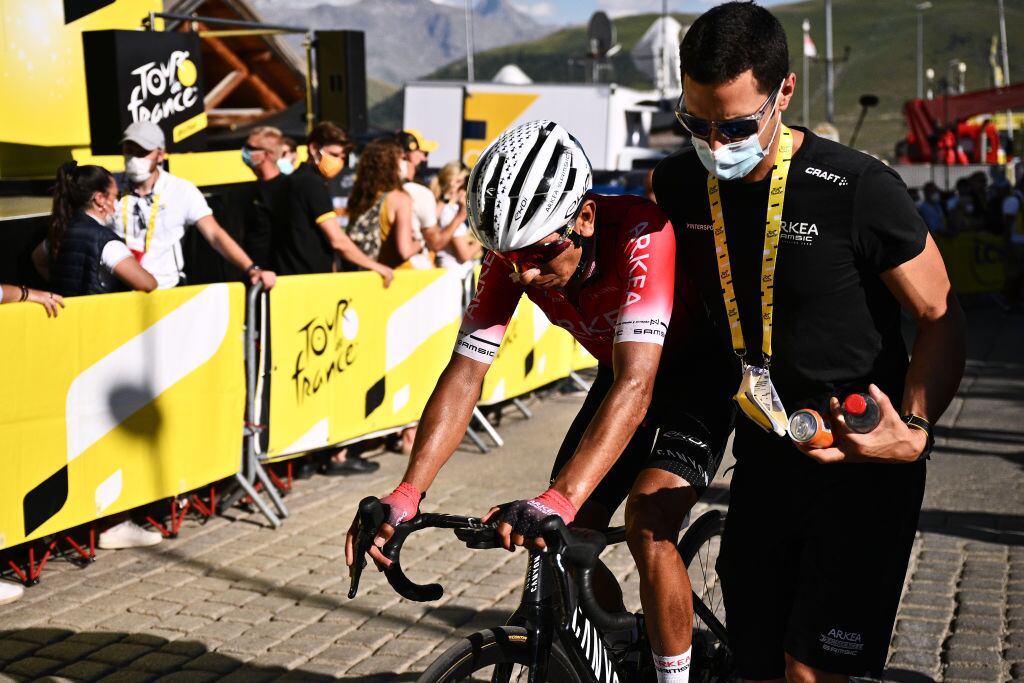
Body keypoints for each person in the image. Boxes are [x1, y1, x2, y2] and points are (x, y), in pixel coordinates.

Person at [346, 120, 734, 683]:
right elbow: (465, 373)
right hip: (621, 374)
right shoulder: (513, 259)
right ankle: (619, 645)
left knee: (648, 517)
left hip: (692, 376)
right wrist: (409, 490)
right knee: (563, 544)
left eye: (538, 253)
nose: (524, 272)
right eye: (510, 256)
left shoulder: (641, 233)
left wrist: (562, 496)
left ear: (584, 218)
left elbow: (638, 387)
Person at [652, 3, 967, 681]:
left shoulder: (858, 188)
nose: (715, 142)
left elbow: (940, 313)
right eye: (696, 123)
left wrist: (913, 428)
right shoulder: (679, 185)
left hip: (863, 464)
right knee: (757, 665)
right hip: (766, 457)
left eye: (736, 126)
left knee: (809, 672)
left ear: (784, 93)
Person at [112, 121, 276, 291]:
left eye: (142, 152)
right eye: (129, 150)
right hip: (117, 290)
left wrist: (251, 268)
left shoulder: (181, 190)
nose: (134, 158)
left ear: (160, 155)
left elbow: (215, 234)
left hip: (164, 290)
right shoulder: (109, 187)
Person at [275, 121, 394, 285]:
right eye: (334, 155)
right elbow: (337, 240)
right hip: (308, 282)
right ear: (314, 149)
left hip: (294, 279)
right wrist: (374, 266)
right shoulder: (312, 184)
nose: (338, 162)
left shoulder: (296, 179)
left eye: (342, 157)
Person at [32, 162, 157, 297]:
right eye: (116, 196)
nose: (118, 203)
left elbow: (37, 259)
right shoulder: (106, 241)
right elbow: (148, 284)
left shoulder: (60, 231)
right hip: (99, 315)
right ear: (100, 199)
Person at [346, 139, 420, 270]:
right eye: (402, 158)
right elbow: (405, 251)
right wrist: (420, 243)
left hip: (368, 272)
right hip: (397, 275)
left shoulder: (360, 197)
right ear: (391, 164)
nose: (406, 163)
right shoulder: (400, 199)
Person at [235, 126, 291, 267]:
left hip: (278, 273)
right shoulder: (249, 190)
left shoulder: (289, 188)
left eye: (250, 148)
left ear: (266, 155)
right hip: (253, 270)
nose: (244, 151)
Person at [395, 130, 439, 268]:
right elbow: (435, 242)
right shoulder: (417, 192)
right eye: (423, 153)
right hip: (412, 267)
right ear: (406, 154)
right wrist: (421, 241)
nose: (424, 159)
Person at [429, 160, 481, 270]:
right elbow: (464, 255)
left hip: (456, 274)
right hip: (454, 276)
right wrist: (484, 239)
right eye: (461, 182)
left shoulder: (450, 208)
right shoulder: (448, 211)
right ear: (450, 183)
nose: (465, 187)